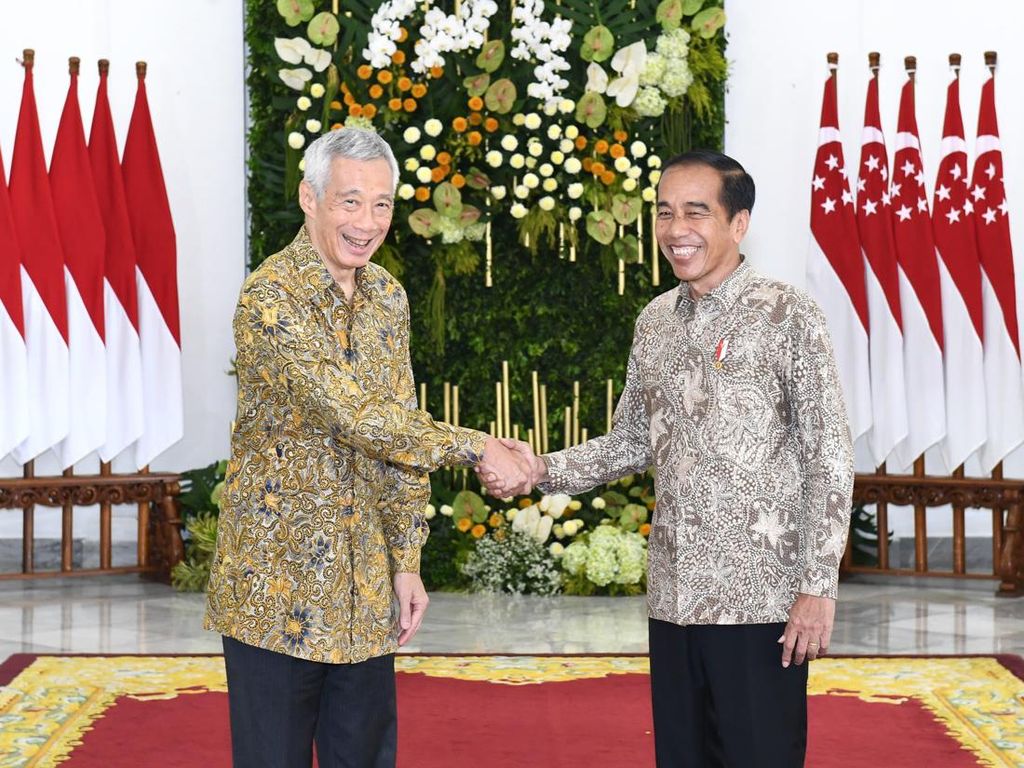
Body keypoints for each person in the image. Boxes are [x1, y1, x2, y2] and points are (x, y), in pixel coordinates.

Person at [484, 150, 854, 767]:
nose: (676, 229)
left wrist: (818, 586)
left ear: (739, 223)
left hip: (759, 601)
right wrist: (541, 469)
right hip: (674, 600)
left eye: (695, 212)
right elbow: (631, 441)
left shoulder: (788, 315)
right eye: (664, 212)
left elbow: (830, 454)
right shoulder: (654, 321)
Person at [204, 127, 530, 768]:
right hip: (276, 590)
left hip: (365, 591)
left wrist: (405, 560)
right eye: (350, 201)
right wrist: (475, 447)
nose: (368, 222)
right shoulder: (269, 299)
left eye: (382, 204)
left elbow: (399, 431)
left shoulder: (387, 296)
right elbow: (354, 416)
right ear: (310, 198)